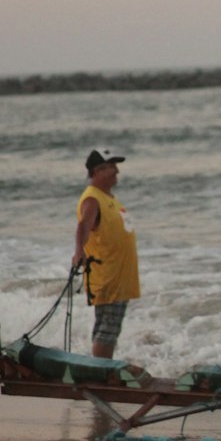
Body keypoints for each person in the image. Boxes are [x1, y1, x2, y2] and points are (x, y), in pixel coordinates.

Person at [71, 148, 141, 359]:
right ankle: (101, 371)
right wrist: (79, 251)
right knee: (108, 329)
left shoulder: (108, 197)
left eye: (115, 166)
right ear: (97, 171)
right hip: (107, 274)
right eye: (110, 167)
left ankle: (101, 368)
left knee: (109, 327)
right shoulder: (92, 199)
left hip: (119, 275)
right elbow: (83, 225)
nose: (116, 171)